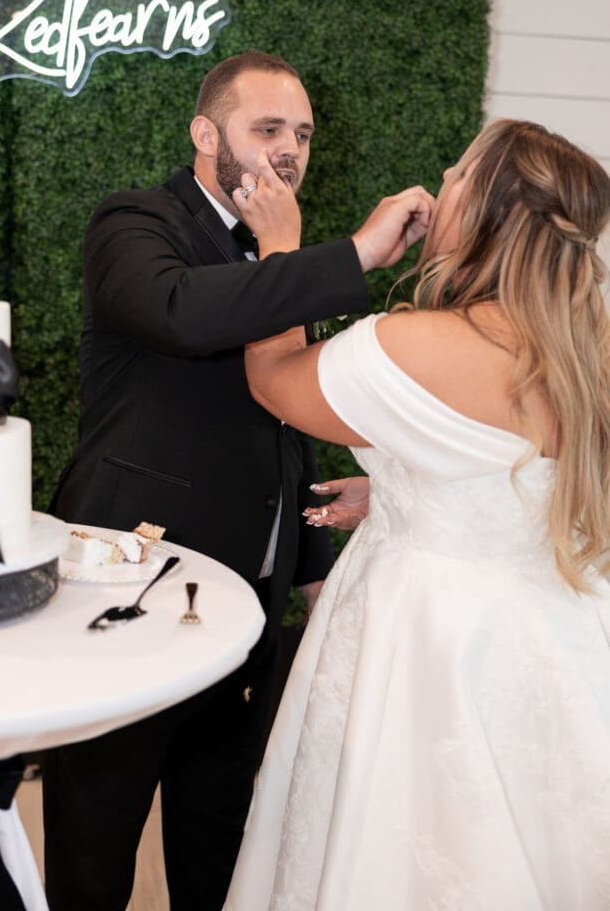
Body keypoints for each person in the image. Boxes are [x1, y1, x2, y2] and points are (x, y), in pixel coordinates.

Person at [41, 50, 431, 911]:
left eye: (301, 134)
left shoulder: (286, 252)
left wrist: (305, 563)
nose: (289, 150)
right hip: (130, 589)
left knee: (219, 821)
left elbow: (283, 407)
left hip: (246, 603)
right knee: (96, 824)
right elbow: (179, 313)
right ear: (204, 133)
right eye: (267, 130)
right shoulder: (134, 223)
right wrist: (343, 253)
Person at [224, 119, 610, 910]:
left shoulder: (412, 344)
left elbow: (274, 380)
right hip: (555, 647)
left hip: (425, 644)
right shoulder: (587, 351)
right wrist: (406, 479)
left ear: (491, 210)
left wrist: (283, 251)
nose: (441, 179)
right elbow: (529, 476)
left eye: (460, 172)